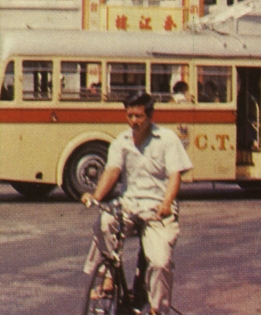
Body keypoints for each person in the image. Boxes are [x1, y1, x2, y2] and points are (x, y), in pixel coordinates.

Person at [81, 92, 193, 315]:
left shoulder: (167, 139)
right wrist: (96, 196)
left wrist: (167, 203)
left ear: (150, 116)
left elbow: (175, 176)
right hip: (129, 206)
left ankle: (157, 309)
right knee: (105, 222)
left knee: (160, 263)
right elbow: (112, 171)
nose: (133, 121)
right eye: (130, 115)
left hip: (158, 210)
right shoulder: (122, 142)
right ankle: (108, 275)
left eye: (139, 116)